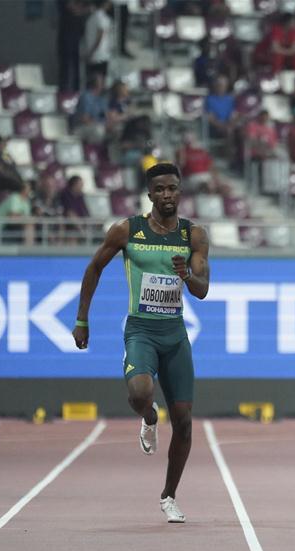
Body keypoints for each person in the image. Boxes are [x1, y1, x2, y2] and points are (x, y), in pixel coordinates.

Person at [72, 163, 211, 523]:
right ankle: (149, 416)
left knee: (183, 423)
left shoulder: (193, 235)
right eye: (160, 189)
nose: (167, 195)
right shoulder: (127, 230)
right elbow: (94, 268)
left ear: (181, 193)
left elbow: (203, 290)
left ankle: (169, 496)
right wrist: (82, 319)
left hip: (175, 335)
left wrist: (187, 275)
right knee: (139, 393)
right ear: (149, 194)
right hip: (141, 330)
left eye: (173, 189)